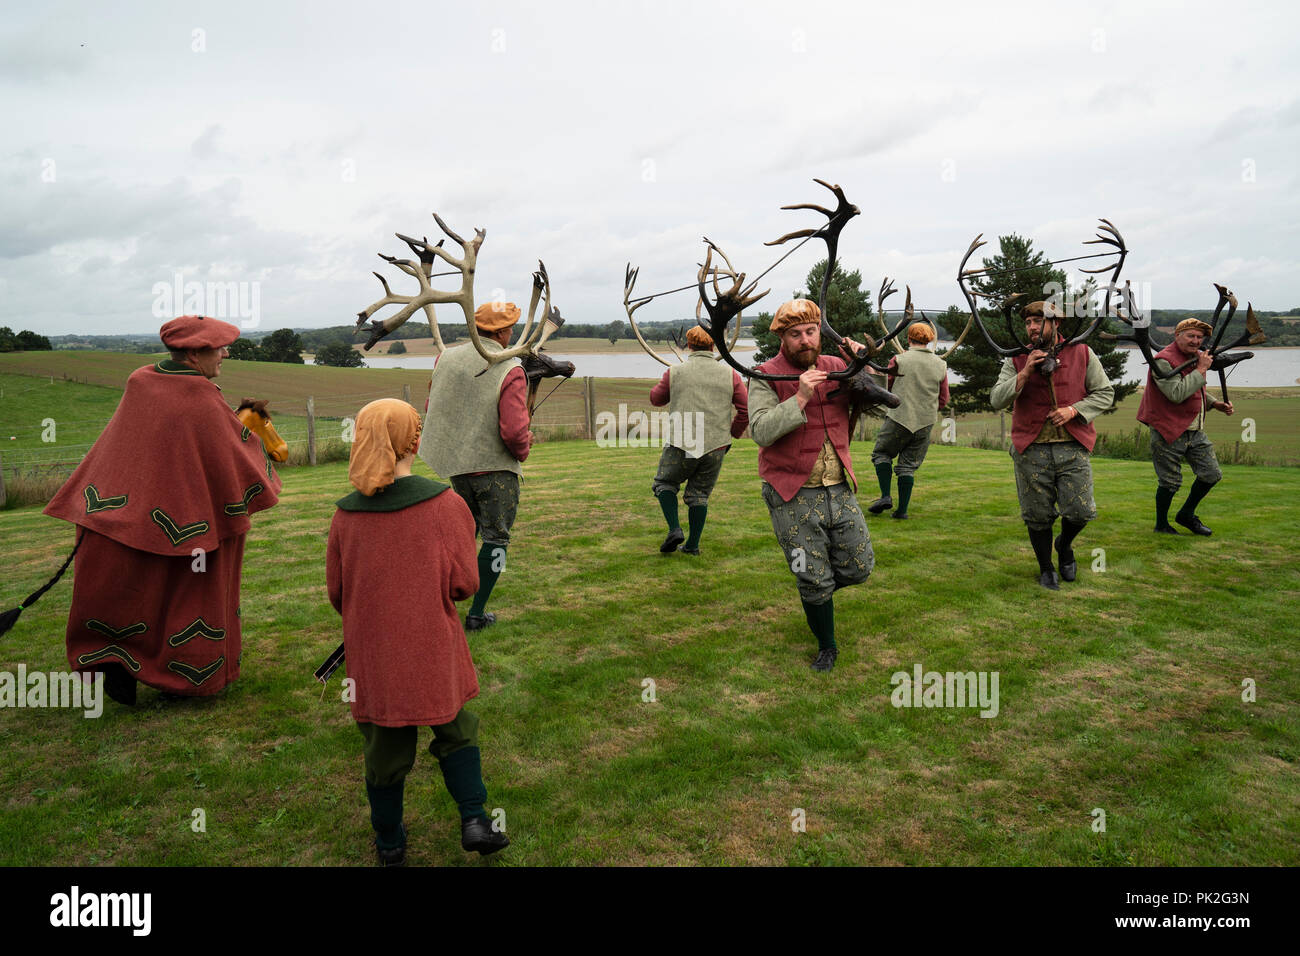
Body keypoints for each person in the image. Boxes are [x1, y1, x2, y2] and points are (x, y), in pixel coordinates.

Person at [43, 315, 280, 705]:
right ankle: (185, 677)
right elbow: (235, 450)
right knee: (188, 594)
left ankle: (116, 662)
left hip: (123, 511)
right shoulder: (199, 395)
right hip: (186, 519)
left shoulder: (142, 380)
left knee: (125, 593)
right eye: (217, 347)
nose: (225, 352)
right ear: (192, 353)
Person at [327, 400, 508, 865]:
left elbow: (337, 593)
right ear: (414, 440)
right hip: (432, 644)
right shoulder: (446, 506)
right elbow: (465, 584)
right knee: (458, 729)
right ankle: (474, 819)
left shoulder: (345, 516)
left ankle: (389, 843)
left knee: (383, 752)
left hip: (373, 652)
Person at [747, 299, 873, 672]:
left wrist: (861, 364)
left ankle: (816, 595)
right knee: (811, 573)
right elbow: (760, 431)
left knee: (859, 566)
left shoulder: (837, 367)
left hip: (839, 488)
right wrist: (800, 397)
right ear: (782, 339)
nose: (804, 340)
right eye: (795, 334)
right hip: (791, 494)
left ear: (820, 332)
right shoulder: (764, 374)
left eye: (810, 331)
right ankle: (827, 645)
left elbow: (879, 399)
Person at [419, 303, 533, 631]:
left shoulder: (445, 358)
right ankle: (477, 612)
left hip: (457, 467)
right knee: (496, 539)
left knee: (465, 534)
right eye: (510, 327)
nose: (512, 332)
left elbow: (433, 405)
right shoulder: (510, 368)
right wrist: (524, 446)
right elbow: (513, 431)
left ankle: (445, 597)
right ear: (500, 333)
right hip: (495, 469)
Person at [989, 301, 1115, 590]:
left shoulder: (1082, 352)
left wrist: (1074, 410)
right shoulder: (1017, 359)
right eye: (1028, 322)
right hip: (1031, 448)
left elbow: (1104, 393)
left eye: (1039, 321)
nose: (1032, 327)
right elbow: (997, 399)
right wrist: (1024, 375)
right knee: (1037, 515)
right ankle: (1046, 569)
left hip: (1072, 445)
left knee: (1081, 511)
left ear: (1057, 324)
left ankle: (1065, 545)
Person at [648, 326, 749, 554]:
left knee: (664, 483)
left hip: (682, 442)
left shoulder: (676, 371)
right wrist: (732, 433)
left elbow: (656, 399)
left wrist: (669, 384)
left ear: (689, 345)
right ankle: (692, 546)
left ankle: (675, 529)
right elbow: (745, 410)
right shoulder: (730, 374)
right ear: (713, 345)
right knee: (699, 495)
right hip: (717, 445)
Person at [1136, 318, 1234, 536]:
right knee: (1169, 482)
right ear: (1177, 335)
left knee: (1211, 474)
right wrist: (1200, 370)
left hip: (1194, 430)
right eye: (1191, 336)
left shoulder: (1196, 358)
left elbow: (1195, 390)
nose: (1196, 341)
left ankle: (1186, 515)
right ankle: (1161, 525)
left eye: (1199, 337)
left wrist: (1214, 403)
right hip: (1168, 429)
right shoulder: (1162, 362)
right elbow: (1177, 393)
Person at [867, 322, 950, 519]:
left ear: (909, 338)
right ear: (929, 340)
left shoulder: (898, 360)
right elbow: (943, 399)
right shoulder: (941, 364)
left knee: (881, 454)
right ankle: (902, 512)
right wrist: (926, 411)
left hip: (898, 418)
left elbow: (887, 387)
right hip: (925, 422)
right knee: (908, 466)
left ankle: (886, 496)